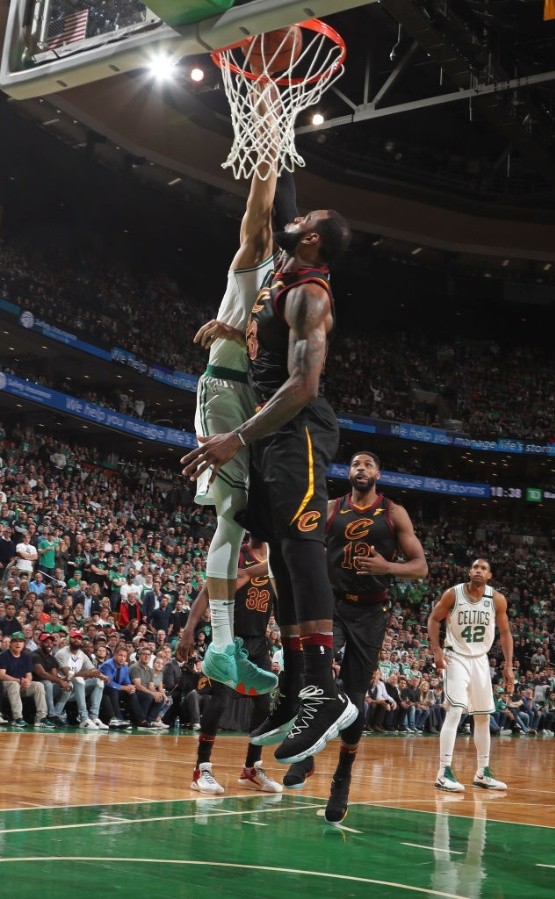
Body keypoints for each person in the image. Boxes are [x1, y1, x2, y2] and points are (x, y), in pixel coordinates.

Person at [182, 193, 355, 767]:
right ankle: (300, 686)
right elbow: (267, 205)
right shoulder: (284, 277)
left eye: (303, 220)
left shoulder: (311, 293)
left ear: (312, 240)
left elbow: (302, 385)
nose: (293, 220)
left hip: (296, 427)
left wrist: (238, 437)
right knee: (280, 557)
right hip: (272, 435)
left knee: (302, 554)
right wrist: (233, 326)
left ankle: (325, 693)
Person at [187, 98, 297, 700]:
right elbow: (260, 200)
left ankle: (226, 646)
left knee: (242, 520)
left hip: (254, 408)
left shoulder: (291, 289)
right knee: (230, 514)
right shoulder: (253, 261)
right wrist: (270, 132)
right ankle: (222, 642)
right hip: (225, 389)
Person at [281, 451, 427, 822]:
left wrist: (387, 567)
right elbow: (305, 548)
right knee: (315, 675)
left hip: (370, 611)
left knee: (356, 692)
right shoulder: (331, 508)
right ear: (348, 473)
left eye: (368, 465)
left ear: (378, 473)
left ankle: (342, 776)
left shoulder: (394, 512)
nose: (360, 469)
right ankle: (307, 754)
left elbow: (420, 567)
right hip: (331, 604)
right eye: (355, 465)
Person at [178, 536, 282, 794]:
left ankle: (251, 769)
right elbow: (206, 592)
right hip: (229, 638)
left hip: (259, 642)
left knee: (263, 703)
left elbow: (279, 605)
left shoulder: (275, 557)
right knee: (221, 701)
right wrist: (189, 630)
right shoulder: (235, 553)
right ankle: (201, 768)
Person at [428, 558, 514, 793]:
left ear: (489, 575)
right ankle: (443, 771)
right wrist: (436, 650)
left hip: (480, 660)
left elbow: (505, 633)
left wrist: (508, 667)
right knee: (456, 709)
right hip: (455, 656)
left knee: (483, 716)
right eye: (475, 567)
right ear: (469, 571)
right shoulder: (453, 594)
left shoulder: (496, 599)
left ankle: (483, 771)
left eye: (483, 568)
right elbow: (434, 619)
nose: (478, 570)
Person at [54, 630, 110, 729]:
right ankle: (84, 718)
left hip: (75, 689)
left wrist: (102, 676)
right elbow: (69, 675)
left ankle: (94, 717)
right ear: (69, 639)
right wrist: (87, 673)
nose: (77, 640)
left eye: (79, 638)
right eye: (74, 637)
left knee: (99, 681)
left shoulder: (82, 654)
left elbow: (93, 669)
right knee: (79, 679)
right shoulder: (62, 653)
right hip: (60, 687)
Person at [0, 631, 53, 727]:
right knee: (14, 684)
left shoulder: (26, 657)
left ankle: (41, 718)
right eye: (15, 641)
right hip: (6, 687)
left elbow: (29, 674)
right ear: (11, 643)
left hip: (21, 685)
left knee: (39, 685)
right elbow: (1, 675)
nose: (18, 643)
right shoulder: (3, 655)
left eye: (20, 641)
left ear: (24, 644)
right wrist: (19, 680)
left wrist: (28, 681)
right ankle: (17, 718)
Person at [31, 632, 73, 725]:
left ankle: (56, 714)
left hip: (47, 688)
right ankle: (51, 714)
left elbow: (54, 676)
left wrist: (65, 679)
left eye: (51, 642)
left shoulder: (52, 658)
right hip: (35, 685)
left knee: (69, 686)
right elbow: (42, 674)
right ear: (40, 643)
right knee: (47, 683)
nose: (49, 644)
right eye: (46, 642)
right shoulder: (35, 655)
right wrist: (60, 681)